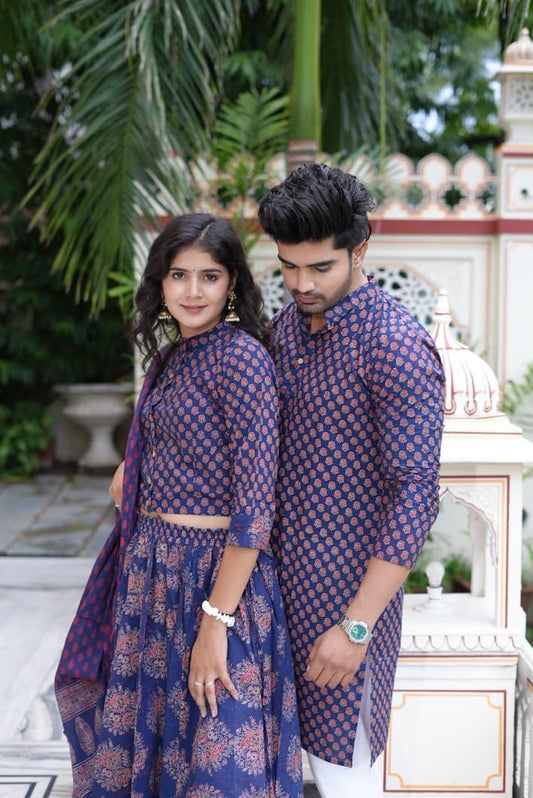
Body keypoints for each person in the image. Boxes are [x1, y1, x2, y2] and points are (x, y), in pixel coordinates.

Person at [54, 213, 303, 797]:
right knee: (161, 753)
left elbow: (255, 505)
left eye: (210, 277)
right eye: (179, 275)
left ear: (233, 285)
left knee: (219, 758)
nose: (193, 291)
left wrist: (216, 624)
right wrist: (131, 475)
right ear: (160, 285)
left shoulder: (241, 359)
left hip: (220, 582)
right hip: (155, 576)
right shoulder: (169, 360)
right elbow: (165, 451)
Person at [258, 164, 445, 797]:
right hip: (267, 602)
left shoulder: (394, 343)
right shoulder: (285, 330)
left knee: (346, 783)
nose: (301, 284)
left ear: (359, 249)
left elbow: (416, 494)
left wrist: (357, 627)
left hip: (344, 617)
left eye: (320, 268)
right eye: (288, 266)